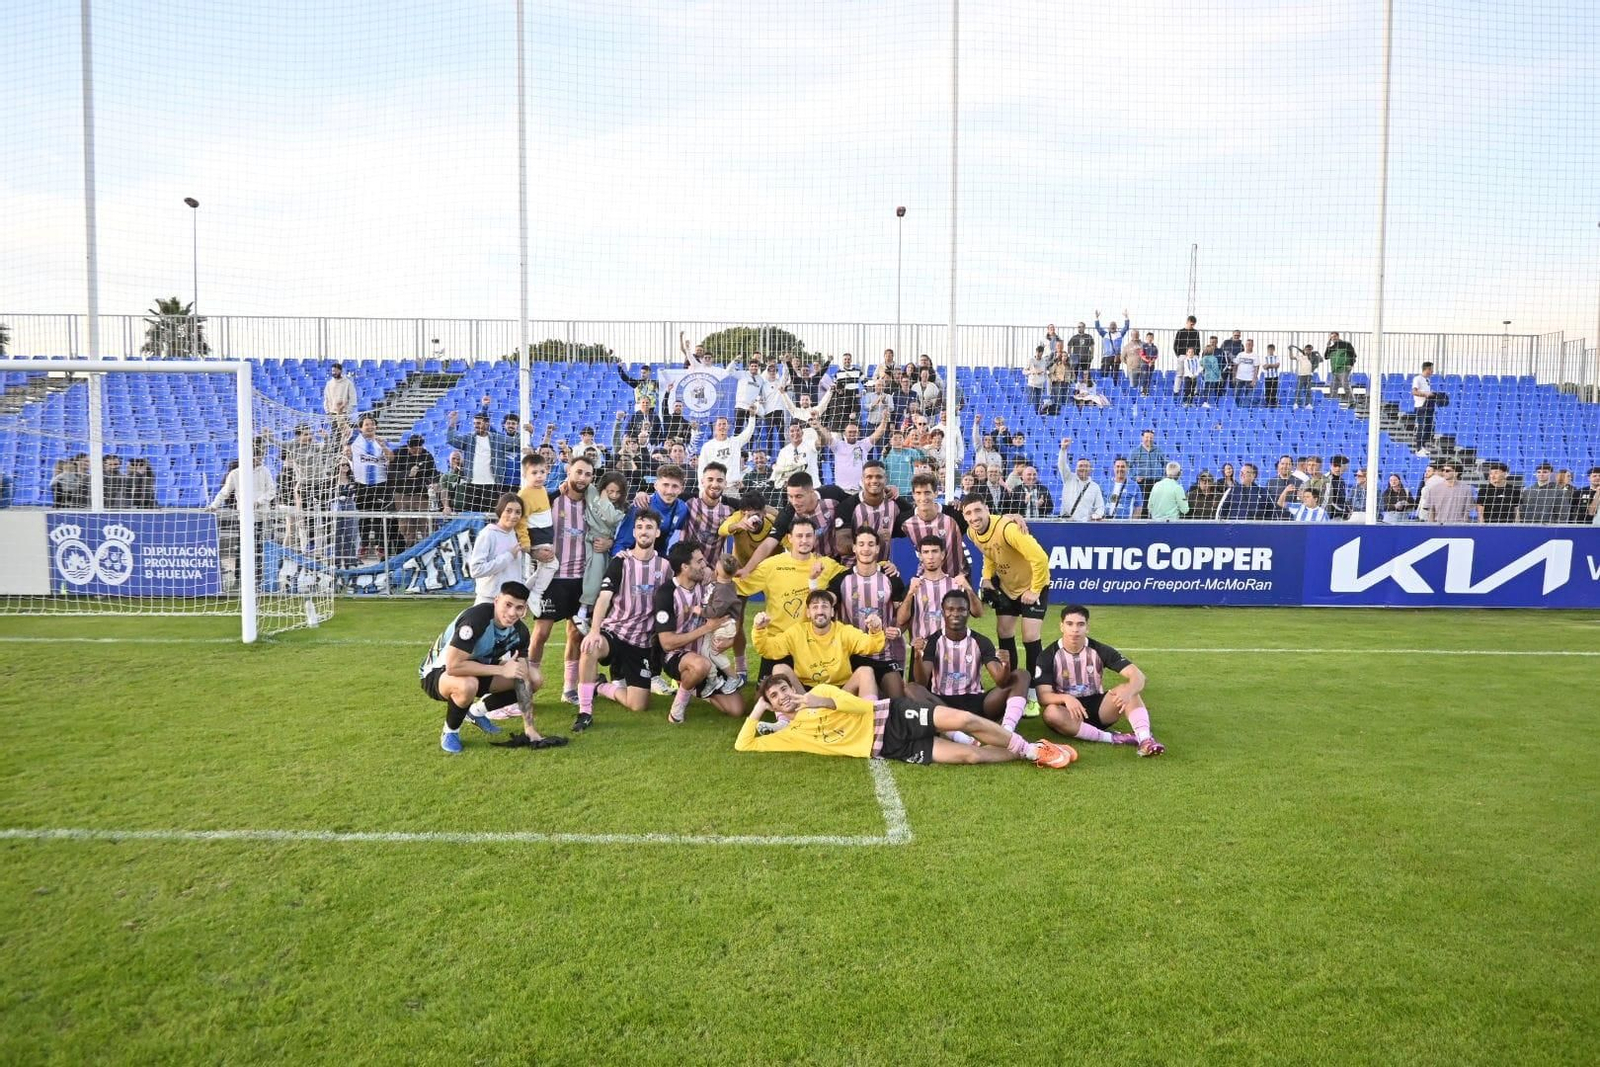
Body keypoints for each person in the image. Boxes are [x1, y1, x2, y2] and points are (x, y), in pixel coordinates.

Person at [736, 674, 1075, 768]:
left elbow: (861, 708)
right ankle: (1036, 750)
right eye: (775, 697)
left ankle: (1031, 751)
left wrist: (819, 700)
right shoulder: (791, 734)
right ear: (773, 705)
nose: (783, 696)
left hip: (892, 715)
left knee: (964, 720)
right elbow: (744, 744)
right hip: (888, 748)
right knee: (970, 756)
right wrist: (758, 710)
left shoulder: (820, 693)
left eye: (784, 689)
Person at [420, 581, 559, 754]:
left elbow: (523, 679)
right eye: (507, 605)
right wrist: (501, 669)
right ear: (496, 601)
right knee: (468, 684)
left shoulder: (521, 632)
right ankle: (450, 731)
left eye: (519, 608)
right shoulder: (476, 619)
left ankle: (476, 712)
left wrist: (529, 728)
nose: (512, 613)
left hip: (479, 667)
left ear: (525, 610)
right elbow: (453, 667)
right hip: (437, 673)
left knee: (533, 678)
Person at [573, 510, 673, 731]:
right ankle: (585, 711)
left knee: (638, 705)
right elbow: (604, 598)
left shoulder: (665, 567)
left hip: (641, 643)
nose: (643, 532)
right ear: (634, 531)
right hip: (615, 633)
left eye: (648, 527)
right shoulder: (621, 561)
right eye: (639, 527)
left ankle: (601, 687)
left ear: (657, 532)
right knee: (589, 648)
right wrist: (594, 631)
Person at [1035, 603, 1164, 757]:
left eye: (1080, 624)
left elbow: (1138, 676)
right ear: (1061, 626)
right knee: (1050, 713)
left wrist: (1128, 692)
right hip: (1068, 712)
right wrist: (1066, 698)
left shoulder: (1099, 649)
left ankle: (1145, 740)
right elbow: (1043, 696)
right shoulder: (1048, 655)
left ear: (1087, 627)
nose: (1075, 630)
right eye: (1070, 624)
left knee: (1129, 689)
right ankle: (1114, 738)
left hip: (1100, 709)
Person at [960, 494, 1049, 716]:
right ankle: (1011, 685)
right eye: (968, 513)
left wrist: (1035, 589)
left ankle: (1032, 694)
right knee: (1003, 631)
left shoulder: (1008, 529)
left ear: (987, 509)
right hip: (1007, 586)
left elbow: (1040, 559)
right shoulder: (972, 533)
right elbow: (990, 553)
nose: (974, 517)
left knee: (1030, 636)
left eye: (977, 510)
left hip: (1033, 584)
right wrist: (987, 576)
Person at [734, 515, 846, 674]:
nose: (804, 540)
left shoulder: (826, 565)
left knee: (809, 697)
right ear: (789, 538)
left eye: (809, 536)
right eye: (799, 536)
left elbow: (853, 575)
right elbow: (739, 585)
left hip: (811, 645)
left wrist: (882, 566)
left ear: (815, 539)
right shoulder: (771, 565)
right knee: (765, 697)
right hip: (777, 643)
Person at [914, 588, 1031, 730]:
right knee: (911, 689)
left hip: (977, 703)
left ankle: (1007, 729)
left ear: (968, 612)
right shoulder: (933, 641)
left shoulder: (981, 641)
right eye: (950, 609)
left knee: (1022, 675)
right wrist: (917, 658)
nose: (955, 614)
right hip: (943, 703)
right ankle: (958, 736)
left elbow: (1001, 681)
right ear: (943, 612)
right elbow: (921, 682)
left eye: (961, 609)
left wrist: (1006, 665)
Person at [654, 542, 745, 723]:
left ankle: (694, 684)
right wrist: (707, 628)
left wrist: (730, 639)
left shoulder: (709, 585)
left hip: (705, 653)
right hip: (675, 655)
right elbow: (666, 643)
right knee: (700, 665)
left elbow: (732, 614)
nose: (705, 565)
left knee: (737, 709)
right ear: (685, 567)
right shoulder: (666, 593)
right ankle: (677, 711)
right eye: (699, 562)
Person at [753, 589, 889, 700]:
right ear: (808, 613)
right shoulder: (797, 632)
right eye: (815, 607)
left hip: (840, 692)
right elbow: (769, 650)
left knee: (866, 671)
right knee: (779, 668)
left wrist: (876, 630)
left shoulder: (844, 631)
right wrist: (759, 629)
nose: (819, 611)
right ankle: (785, 722)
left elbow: (872, 646)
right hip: (805, 693)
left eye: (824, 606)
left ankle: (870, 721)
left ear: (831, 612)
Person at [829, 526, 909, 694]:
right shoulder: (841, 580)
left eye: (871, 544)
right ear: (854, 548)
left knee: (898, 701)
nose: (866, 549)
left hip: (885, 654)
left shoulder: (891, 578)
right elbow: (824, 606)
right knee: (859, 707)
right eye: (862, 544)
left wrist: (899, 631)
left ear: (878, 548)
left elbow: (902, 616)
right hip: (852, 656)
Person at [345, 415, 401, 559]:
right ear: (360, 428)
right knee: (363, 516)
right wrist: (338, 411)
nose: (370, 427)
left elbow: (392, 458)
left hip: (380, 483)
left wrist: (383, 446)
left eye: (372, 424)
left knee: (378, 516)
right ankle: (363, 545)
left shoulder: (381, 441)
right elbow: (342, 430)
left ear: (376, 427)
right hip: (361, 484)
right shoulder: (355, 442)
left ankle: (379, 545)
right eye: (366, 424)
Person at [446, 408, 516, 512]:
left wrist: (528, 432)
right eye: (474, 423)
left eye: (479, 423)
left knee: (490, 517)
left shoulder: (498, 439)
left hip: (492, 485)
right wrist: (452, 423)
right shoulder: (468, 438)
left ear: (487, 423)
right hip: (471, 485)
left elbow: (516, 443)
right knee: (471, 517)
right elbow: (452, 440)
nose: (476, 425)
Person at [614, 463, 689, 553]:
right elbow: (621, 543)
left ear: (682, 488)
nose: (669, 491)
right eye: (665, 485)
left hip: (662, 560)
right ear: (656, 485)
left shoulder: (682, 509)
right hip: (636, 559)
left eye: (675, 486)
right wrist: (620, 561)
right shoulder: (641, 504)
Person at [469, 493, 526, 604]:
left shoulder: (516, 535)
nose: (513, 516)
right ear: (500, 510)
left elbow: (517, 571)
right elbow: (476, 570)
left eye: (518, 512)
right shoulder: (488, 534)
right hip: (489, 601)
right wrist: (507, 557)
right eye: (508, 511)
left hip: (511, 602)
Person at [392, 435, 440, 547]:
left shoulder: (426, 455)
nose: (417, 451)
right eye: (413, 449)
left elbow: (433, 473)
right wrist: (407, 474)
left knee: (426, 526)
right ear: (408, 446)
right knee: (406, 528)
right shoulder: (399, 453)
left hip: (420, 495)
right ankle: (409, 552)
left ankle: (428, 551)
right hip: (402, 495)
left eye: (419, 448)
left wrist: (433, 482)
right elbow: (391, 473)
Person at [828, 419, 888, 494]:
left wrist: (884, 420)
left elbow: (878, 433)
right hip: (842, 491)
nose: (852, 434)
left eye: (855, 432)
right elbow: (826, 438)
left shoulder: (864, 444)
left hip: (861, 491)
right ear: (844, 434)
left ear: (858, 433)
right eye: (850, 432)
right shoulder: (837, 445)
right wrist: (817, 427)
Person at [696, 412, 757, 485]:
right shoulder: (707, 446)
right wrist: (701, 488)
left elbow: (748, 432)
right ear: (715, 427)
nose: (722, 427)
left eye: (724, 424)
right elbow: (702, 469)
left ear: (728, 427)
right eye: (719, 424)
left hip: (732, 487)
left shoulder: (735, 442)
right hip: (715, 487)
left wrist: (752, 416)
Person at [1057, 456, 1105, 521]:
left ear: (1091, 469)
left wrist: (1097, 514)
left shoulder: (1095, 487)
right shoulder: (1068, 478)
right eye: (1080, 466)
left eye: (1086, 466)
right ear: (1076, 468)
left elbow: (1100, 506)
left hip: (1085, 525)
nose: (1083, 468)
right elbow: (1062, 465)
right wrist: (1063, 450)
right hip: (1067, 523)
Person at [1128, 429, 1166, 502]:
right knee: (1143, 504)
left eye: (1151, 438)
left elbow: (1166, 463)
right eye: (1147, 437)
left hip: (1157, 481)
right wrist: (1134, 477)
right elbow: (1128, 465)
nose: (1149, 439)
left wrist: (1163, 477)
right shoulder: (1135, 451)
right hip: (1142, 482)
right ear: (1142, 438)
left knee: (1157, 503)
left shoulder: (1159, 450)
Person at [1411, 360, 1438, 456]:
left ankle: (1423, 446)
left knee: (1427, 427)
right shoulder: (1417, 379)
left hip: (1428, 405)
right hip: (1420, 406)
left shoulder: (1427, 380)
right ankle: (1418, 449)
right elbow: (1414, 392)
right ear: (1427, 369)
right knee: (1421, 427)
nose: (1432, 372)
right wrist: (1425, 394)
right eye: (1431, 369)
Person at [1094, 309, 1130, 376]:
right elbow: (1097, 327)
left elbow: (1126, 327)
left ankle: (1115, 385)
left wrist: (1126, 317)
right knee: (1104, 374)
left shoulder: (1119, 334)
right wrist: (1097, 318)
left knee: (1115, 374)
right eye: (1111, 325)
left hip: (1116, 356)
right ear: (1109, 327)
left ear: (1116, 327)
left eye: (1114, 325)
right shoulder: (1105, 334)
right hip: (1106, 356)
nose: (1113, 326)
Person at [322, 362, 356, 432]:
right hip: (333, 414)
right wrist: (328, 412)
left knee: (345, 433)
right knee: (334, 435)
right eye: (332, 371)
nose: (334, 372)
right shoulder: (329, 384)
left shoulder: (348, 383)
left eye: (335, 371)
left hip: (344, 414)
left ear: (340, 371)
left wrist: (347, 412)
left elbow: (353, 399)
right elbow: (326, 399)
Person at [1326, 332, 1357, 406]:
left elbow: (1353, 355)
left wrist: (1351, 364)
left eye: (1334, 336)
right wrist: (1328, 346)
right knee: (1333, 387)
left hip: (1344, 368)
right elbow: (1326, 356)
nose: (1333, 338)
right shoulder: (1332, 347)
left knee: (1345, 384)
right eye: (1332, 337)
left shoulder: (1346, 344)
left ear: (1338, 336)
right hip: (1335, 370)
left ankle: (1352, 401)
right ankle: (1334, 403)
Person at [1290, 343, 1321, 408]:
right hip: (1301, 375)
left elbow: (1321, 360)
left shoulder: (1314, 357)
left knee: (1308, 390)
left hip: (1309, 375)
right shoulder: (1301, 357)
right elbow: (1292, 357)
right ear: (1304, 350)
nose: (1308, 351)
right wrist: (1290, 350)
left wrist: (1317, 354)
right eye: (1307, 349)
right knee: (1298, 390)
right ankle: (1296, 403)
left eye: (1309, 350)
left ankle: (1308, 404)